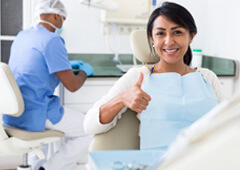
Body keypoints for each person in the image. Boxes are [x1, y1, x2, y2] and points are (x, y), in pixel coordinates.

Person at [83, 2, 225, 152]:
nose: (169, 41)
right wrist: (122, 98)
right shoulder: (138, 76)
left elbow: (228, 124)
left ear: (191, 36)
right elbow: (90, 125)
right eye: (160, 33)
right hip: (159, 163)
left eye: (177, 32)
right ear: (152, 39)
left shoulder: (208, 78)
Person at [3, 0, 94, 170]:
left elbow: (33, 65)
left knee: (39, 146)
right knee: (88, 129)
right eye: (63, 19)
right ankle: (50, 168)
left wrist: (65, 65)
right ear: (55, 16)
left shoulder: (23, 36)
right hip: (36, 111)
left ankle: (37, 167)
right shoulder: (53, 40)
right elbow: (72, 85)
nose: (62, 24)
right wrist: (84, 72)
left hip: (13, 113)